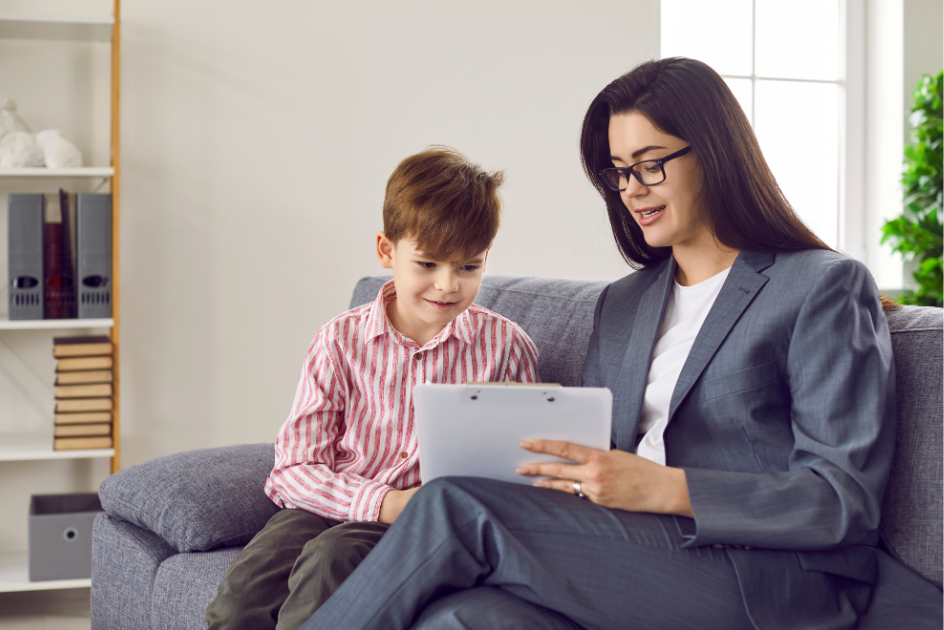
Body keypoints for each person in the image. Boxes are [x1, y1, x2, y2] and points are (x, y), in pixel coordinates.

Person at [298, 58, 943, 630]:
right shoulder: (626, 304)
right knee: (462, 617)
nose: (632, 188)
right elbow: (605, 459)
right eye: (619, 173)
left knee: (452, 507)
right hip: (631, 551)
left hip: (769, 575)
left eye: (651, 165)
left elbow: (841, 498)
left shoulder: (820, 287)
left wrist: (665, 488)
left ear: (715, 153)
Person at [204, 146, 540, 630]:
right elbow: (294, 468)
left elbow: (517, 469)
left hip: (420, 524)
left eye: (469, 267)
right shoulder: (339, 341)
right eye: (427, 264)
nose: (447, 285)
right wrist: (381, 502)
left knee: (330, 560)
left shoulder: (507, 349)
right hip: (327, 504)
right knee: (238, 602)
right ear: (387, 251)